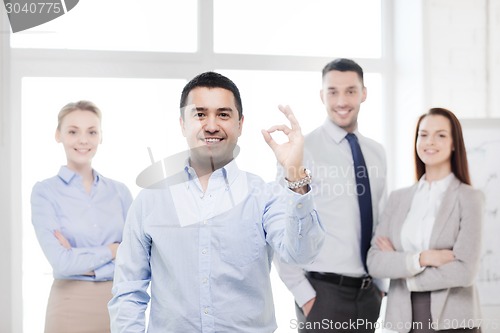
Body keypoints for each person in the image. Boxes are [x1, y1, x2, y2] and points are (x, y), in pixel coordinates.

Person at [108, 71, 325, 333]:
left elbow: (303, 254)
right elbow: (128, 290)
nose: (211, 125)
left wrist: (295, 173)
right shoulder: (150, 199)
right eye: (200, 114)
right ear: (182, 124)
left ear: (240, 124)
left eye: (223, 114)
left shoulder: (264, 196)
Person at [274, 58, 387, 333]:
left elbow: (380, 218)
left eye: (350, 90)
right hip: (322, 294)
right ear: (322, 95)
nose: (342, 100)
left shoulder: (376, 152)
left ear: (364, 93)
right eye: (333, 91)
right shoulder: (303, 149)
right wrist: (306, 296)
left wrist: (381, 285)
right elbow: (281, 224)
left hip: (368, 294)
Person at [367, 108, 483, 333]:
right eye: (423, 134)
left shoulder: (470, 198)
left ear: (453, 143)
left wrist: (404, 273)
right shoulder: (398, 199)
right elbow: (375, 262)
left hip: (454, 320)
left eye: (440, 135)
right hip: (403, 320)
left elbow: (465, 271)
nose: (430, 141)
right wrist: (423, 258)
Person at [31, 100, 133, 333]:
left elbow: (136, 258)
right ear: (58, 135)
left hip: (119, 305)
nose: (83, 140)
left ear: (101, 136)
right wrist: (113, 251)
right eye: (73, 131)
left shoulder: (120, 192)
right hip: (69, 305)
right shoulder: (45, 192)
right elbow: (61, 263)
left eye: (92, 131)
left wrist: (79, 259)